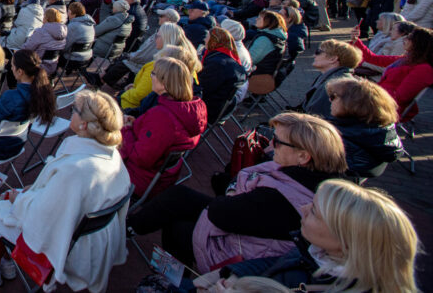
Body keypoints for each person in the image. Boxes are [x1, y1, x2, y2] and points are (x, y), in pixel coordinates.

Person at [128, 112, 347, 274]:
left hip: (243, 255)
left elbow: (220, 212)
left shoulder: (282, 199)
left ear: (303, 157)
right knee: (179, 197)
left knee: (177, 227)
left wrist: (235, 188)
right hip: (244, 226)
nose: (270, 145)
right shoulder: (311, 178)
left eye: (278, 142)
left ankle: (178, 279)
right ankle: (130, 228)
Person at [0, 90, 132, 291]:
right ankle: (6, 262)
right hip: (88, 238)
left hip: (67, 246)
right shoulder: (111, 155)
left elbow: (42, 216)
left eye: (74, 111)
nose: (71, 113)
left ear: (84, 124)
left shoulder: (76, 170)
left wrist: (20, 198)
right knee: (10, 198)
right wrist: (32, 191)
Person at [218, 179, 418, 292]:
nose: (303, 209)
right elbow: (275, 263)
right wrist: (233, 273)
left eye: (314, 211)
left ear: (347, 242)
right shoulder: (317, 251)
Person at [120, 57, 206, 198]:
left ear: (164, 82)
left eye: (153, 74)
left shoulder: (164, 116)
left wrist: (127, 129)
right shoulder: (188, 110)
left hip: (137, 178)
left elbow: (140, 157)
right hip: (160, 178)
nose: (151, 76)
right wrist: (136, 124)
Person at [324, 77, 402, 178]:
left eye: (333, 97)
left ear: (351, 103)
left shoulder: (343, 137)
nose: (329, 100)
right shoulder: (378, 132)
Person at [351, 23, 433, 119]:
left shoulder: (423, 69)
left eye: (409, 37)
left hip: (385, 106)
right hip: (378, 98)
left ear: (419, 43)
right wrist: (356, 40)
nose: (404, 39)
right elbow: (374, 59)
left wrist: (369, 91)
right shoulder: (406, 59)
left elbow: (401, 97)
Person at [118, 23, 193, 110]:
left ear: (166, 40)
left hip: (134, 107)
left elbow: (140, 94)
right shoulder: (180, 61)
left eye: (158, 36)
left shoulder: (160, 65)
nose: (155, 38)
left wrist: (123, 96)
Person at [298, 39, 361, 117]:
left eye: (318, 52)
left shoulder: (336, 84)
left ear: (333, 59)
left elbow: (318, 116)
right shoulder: (330, 77)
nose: (314, 55)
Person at [199, 27, 247, 122]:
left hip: (211, 109)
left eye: (207, 37)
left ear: (214, 41)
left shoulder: (217, 63)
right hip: (224, 107)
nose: (204, 40)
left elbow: (202, 88)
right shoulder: (228, 58)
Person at [21, 7, 67, 72]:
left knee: (15, 60)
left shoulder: (41, 32)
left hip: (37, 65)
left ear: (46, 18)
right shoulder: (64, 33)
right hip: (53, 66)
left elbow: (27, 48)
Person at [246, 11, 287, 78]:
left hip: (257, 75)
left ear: (267, 22)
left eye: (259, 18)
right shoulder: (276, 35)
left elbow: (250, 61)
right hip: (265, 73)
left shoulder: (264, 40)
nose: (256, 19)